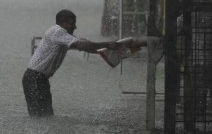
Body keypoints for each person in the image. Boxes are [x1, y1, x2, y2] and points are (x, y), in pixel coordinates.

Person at [22, 9, 163, 117]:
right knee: (38, 117)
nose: (75, 26)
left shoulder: (64, 35)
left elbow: (89, 47)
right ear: (63, 23)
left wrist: (118, 48)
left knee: (46, 115)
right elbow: (83, 46)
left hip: (39, 79)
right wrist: (107, 44)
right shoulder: (57, 31)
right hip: (34, 78)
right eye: (72, 23)